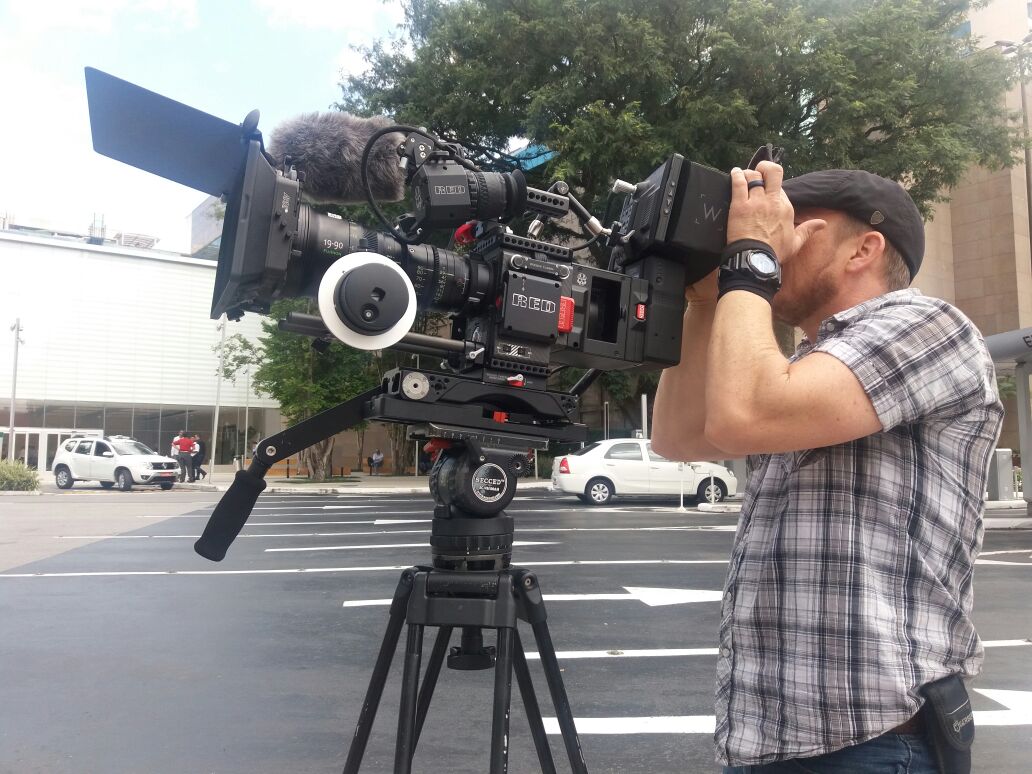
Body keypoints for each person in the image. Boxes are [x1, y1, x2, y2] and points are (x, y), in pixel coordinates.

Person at [652, 163, 1002, 773]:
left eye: (793, 224)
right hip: (768, 735)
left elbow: (745, 417)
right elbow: (680, 437)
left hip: (870, 739)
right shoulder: (798, 363)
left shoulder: (927, 327)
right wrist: (706, 299)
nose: (772, 235)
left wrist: (749, 257)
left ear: (864, 249)